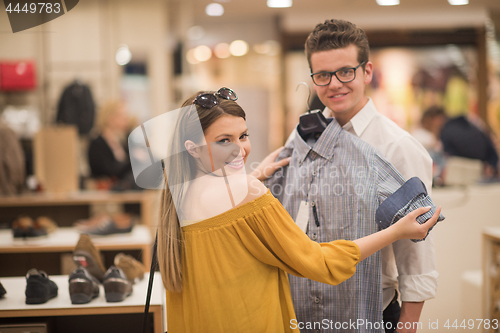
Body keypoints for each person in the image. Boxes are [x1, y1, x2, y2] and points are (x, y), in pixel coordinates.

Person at [154, 88, 441, 333]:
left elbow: (222, 229)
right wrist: (395, 232)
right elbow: (320, 262)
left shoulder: (179, 196)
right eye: (223, 140)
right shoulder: (247, 193)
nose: (240, 150)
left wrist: (253, 177)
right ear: (192, 149)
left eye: (243, 136)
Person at [262, 19, 438, 333]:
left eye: (346, 71)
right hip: (305, 311)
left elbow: (416, 249)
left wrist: (407, 326)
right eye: (323, 75)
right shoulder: (302, 136)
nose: (334, 84)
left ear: (366, 71)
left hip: (370, 313)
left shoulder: (396, 147)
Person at [87, 100, 139, 191]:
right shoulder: (97, 143)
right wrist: (134, 159)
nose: (126, 119)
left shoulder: (121, 141)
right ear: (110, 117)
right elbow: (108, 171)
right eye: (122, 115)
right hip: (107, 188)